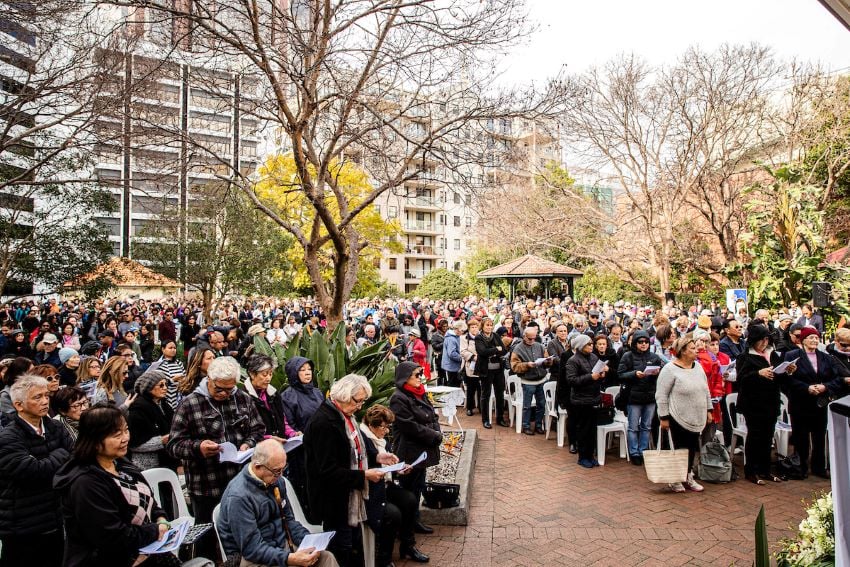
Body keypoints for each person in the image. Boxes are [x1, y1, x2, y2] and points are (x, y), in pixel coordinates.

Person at [54, 405, 175, 567]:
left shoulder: (120, 462)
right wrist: (155, 530)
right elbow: (111, 536)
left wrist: (161, 518)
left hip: (146, 552)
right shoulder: (85, 482)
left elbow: (149, 500)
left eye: (126, 430)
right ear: (94, 441)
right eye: (117, 435)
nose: (125, 438)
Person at [167, 356, 266, 525]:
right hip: (207, 486)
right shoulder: (189, 404)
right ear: (209, 379)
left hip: (241, 482)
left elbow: (258, 429)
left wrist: (248, 444)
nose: (224, 394)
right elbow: (174, 445)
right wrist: (198, 448)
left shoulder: (242, 398)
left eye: (230, 389)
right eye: (219, 389)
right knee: (208, 534)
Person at [303, 374, 388, 567]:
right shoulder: (323, 423)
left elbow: (356, 452)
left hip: (348, 497)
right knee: (342, 548)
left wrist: (376, 457)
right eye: (358, 401)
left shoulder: (346, 416)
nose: (360, 406)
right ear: (343, 395)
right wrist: (364, 475)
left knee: (352, 544)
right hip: (333, 501)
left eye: (363, 401)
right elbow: (327, 470)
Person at [218, 439, 339, 567]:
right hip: (251, 558)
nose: (280, 475)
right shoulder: (239, 497)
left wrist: (310, 543)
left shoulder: (276, 480)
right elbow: (252, 549)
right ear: (258, 466)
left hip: (280, 545)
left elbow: (289, 521)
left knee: (325, 558)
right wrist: (289, 558)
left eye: (283, 469)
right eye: (276, 470)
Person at [0, 375, 73, 567]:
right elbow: (33, 472)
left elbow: (75, 457)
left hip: (55, 518)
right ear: (19, 405)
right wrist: (61, 453)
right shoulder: (8, 437)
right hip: (23, 526)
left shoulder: (54, 427)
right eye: (37, 397)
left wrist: (56, 458)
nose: (44, 401)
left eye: (46, 396)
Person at [360, 405, 425, 566]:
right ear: (371, 426)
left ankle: (408, 545)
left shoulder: (381, 440)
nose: (387, 431)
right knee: (392, 515)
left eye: (388, 426)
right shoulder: (364, 440)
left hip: (385, 484)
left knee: (410, 500)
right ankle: (384, 559)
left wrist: (399, 470)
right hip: (371, 490)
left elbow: (388, 468)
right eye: (383, 427)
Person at [736, 323, 795, 485]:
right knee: (755, 436)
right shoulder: (745, 356)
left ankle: (765, 469)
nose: (764, 343)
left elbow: (780, 378)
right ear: (753, 341)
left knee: (767, 437)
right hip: (753, 403)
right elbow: (741, 380)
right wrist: (758, 373)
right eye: (761, 340)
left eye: (766, 340)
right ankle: (751, 470)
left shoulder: (772, 354)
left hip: (771, 401)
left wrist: (787, 371)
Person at [389, 362, 442, 538]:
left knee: (418, 485)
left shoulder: (419, 392)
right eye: (416, 375)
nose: (420, 378)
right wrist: (433, 435)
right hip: (410, 450)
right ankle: (406, 527)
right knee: (409, 489)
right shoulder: (399, 398)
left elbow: (432, 414)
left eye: (420, 374)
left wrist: (436, 430)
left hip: (422, 447)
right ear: (405, 378)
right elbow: (409, 426)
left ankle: (415, 520)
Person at [783, 327, 842, 478]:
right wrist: (806, 388)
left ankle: (819, 468)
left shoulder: (826, 357)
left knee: (819, 436)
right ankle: (800, 467)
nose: (814, 340)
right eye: (810, 337)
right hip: (800, 402)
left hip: (820, 402)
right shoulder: (792, 355)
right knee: (801, 436)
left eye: (816, 338)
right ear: (802, 340)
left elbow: (837, 379)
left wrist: (824, 387)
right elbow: (786, 379)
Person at [656, 335, 712, 493]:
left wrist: (709, 410)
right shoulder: (669, 369)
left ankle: (688, 476)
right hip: (676, 416)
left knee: (691, 448)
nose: (697, 351)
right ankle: (675, 479)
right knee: (678, 448)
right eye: (693, 349)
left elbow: (705, 390)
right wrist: (664, 417)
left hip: (696, 416)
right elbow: (661, 395)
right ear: (682, 352)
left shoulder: (698, 367)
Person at [617, 330, 664, 464]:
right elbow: (620, 374)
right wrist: (634, 374)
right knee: (633, 426)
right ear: (635, 343)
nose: (643, 344)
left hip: (650, 396)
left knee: (646, 426)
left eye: (646, 342)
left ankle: (643, 450)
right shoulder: (627, 356)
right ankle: (634, 452)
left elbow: (661, 376)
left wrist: (656, 373)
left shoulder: (654, 357)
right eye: (640, 342)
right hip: (634, 397)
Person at [564, 334, 605, 468]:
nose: (591, 346)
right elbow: (571, 380)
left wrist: (601, 375)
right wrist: (590, 377)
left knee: (592, 429)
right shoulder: (573, 360)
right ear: (581, 346)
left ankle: (590, 455)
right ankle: (582, 457)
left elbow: (597, 375)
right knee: (583, 429)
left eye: (591, 343)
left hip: (594, 397)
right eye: (588, 344)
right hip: (581, 400)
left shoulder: (593, 357)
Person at [127, 370, 175, 471]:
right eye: (161, 385)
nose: (165, 388)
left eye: (166, 384)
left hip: (167, 462)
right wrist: (162, 440)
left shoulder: (165, 406)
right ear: (148, 387)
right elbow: (133, 444)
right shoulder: (138, 409)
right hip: (147, 466)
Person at [510, 326, 553, 435]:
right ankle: (526, 426)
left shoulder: (539, 346)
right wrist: (527, 365)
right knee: (527, 406)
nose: (532, 340)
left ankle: (538, 425)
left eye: (534, 338)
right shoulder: (518, 349)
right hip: (528, 381)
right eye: (530, 338)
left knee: (541, 404)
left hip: (541, 379)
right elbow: (514, 366)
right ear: (524, 336)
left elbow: (546, 359)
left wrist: (548, 361)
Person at [244, 354, 299, 440]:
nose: (269, 378)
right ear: (252, 374)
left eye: (270, 374)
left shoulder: (273, 393)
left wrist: (292, 434)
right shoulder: (243, 397)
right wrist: (269, 438)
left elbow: (283, 421)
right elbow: (245, 432)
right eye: (264, 375)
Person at [475, 317, 508, 428]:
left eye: (491, 325)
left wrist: (494, 351)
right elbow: (482, 351)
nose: (489, 327)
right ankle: (485, 420)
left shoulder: (496, 336)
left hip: (498, 369)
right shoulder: (478, 337)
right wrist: (495, 349)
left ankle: (500, 418)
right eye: (487, 325)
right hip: (485, 370)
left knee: (500, 394)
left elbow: (503, 350)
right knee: (486, 394)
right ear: (483, 326)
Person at [149, 340, 186, 411]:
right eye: (170, 348)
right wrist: (173, 380)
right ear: (163, 349)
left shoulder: (179, 363)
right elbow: (157, 383)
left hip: (178, 395)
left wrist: (183, 380)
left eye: (174, 348)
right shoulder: (159, 364)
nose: (173, 350)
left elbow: (184, 376)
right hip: (166, 397)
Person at [459, 318, 481, 417]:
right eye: (472, 327)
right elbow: (463, 351)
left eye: (476, 327)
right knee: (471, 388)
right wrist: (473, 357)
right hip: (470, 366)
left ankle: (481, 406)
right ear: (469, 328)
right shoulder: (464, 338)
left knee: (481, 388)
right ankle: (470, 408)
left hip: (481, 366)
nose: (474, 329)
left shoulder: (481, 337)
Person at [441, 320, 464, 387]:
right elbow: (452, 353)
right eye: (462, 330)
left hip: (454, 366)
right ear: (457, 329)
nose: (462, 332)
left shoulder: (456, 337)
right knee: (452, 386)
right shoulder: (451, 339)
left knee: (456, 384)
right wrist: (462, 358)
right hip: (451, 367)